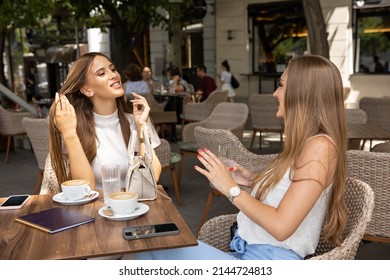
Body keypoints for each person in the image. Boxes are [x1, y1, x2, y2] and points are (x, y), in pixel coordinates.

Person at [127, 55, 347, 260]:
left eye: (281, 85)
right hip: (250, 250)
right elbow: (289, 195)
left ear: (302, 93)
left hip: (269, 257)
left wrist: (231, 189)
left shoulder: (320, 147)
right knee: (147, 246)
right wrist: (250, 180)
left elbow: (282, 226)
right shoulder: (307, 143)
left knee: (147, 251)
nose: (275, 93)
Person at [40, 52, 161, 193]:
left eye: (113, 69)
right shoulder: (73, 127)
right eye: (102, 73)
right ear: (87, 90)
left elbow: (154, 176)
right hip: (93, 211)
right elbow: (84, 188)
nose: (114, 75)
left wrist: (141, 128)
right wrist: (69, 134)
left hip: (135, 206)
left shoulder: (135, 120)